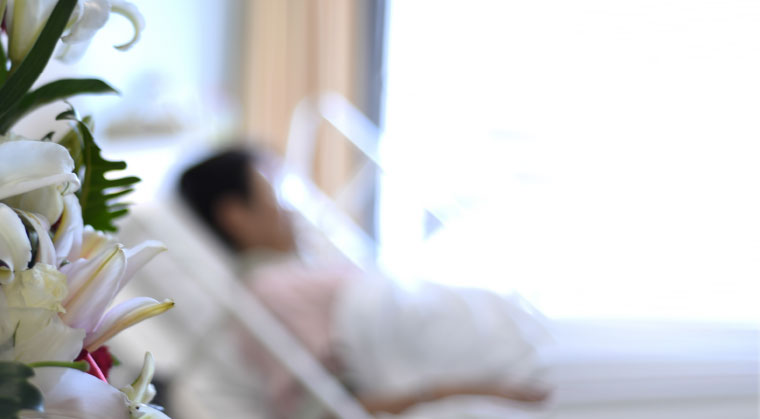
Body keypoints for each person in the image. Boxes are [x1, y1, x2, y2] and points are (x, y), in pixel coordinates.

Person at [179, 148, 550, 418]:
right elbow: (329, 408)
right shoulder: (267, 291)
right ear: (235, 216)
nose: (290, 210)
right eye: (275, 195)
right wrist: (466, 390)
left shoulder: (301, 271)